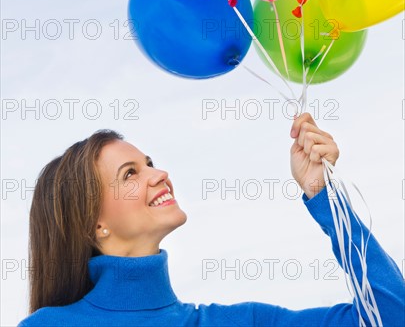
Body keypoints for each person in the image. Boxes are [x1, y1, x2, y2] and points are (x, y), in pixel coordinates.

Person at [18, 112, 404, 326]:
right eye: (130, 174)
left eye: (150, 163)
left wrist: (324, 196)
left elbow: (391, 316)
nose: (159, 174)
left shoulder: (243, 322)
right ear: (94, 225)